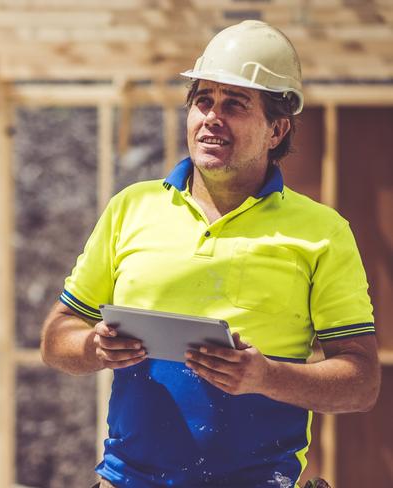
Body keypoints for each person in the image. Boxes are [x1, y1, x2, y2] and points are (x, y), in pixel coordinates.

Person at [40, 20, 380, 488]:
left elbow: (361, 383)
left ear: (276, 129)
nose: (211, 117)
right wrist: (93, 346)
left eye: (235, 105)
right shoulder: (130, 208)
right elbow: (56, 337)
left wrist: (265, 377)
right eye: (203, 100)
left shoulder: (323, 233)